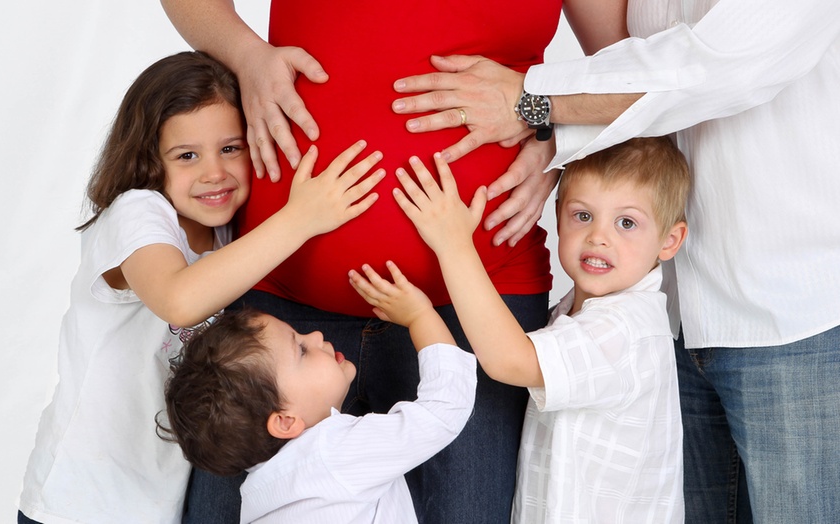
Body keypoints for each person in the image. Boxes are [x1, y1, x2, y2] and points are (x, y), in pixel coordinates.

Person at [158, 1, 630, 522]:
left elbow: (631, 69)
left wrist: (556, 132)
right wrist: (245, 55)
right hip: (279, 299)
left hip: (476, 301)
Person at [388, 1, 840, 521]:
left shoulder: (615, 331)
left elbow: (720, 63)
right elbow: (642, 73)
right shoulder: (597, 316)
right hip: (680, 312)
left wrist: (534, 101)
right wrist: (557, 133)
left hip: (793, 313)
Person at [16, 51, 384, 524]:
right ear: (150, 159)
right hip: (81, 500)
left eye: (231, 149)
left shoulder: (228, 233)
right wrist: (302, 218)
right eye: (187, 155)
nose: (215, 172)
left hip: (162, 502)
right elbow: (180, 299)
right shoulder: (137, 213)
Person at [351, 136, 690, 522]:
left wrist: (453, 243)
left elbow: (510, 361)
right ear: (557, 214)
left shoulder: (625, 329)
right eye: (583, 215)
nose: (599, 236)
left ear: (670, 240)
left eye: (626, 222)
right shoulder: (580, 313)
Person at [162, 276, 476, 523]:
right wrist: (421, 316)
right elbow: (444, 409)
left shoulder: (259, 498)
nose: (314, 336)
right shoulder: (334, 454)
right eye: (301, 350)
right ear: (285, 421)